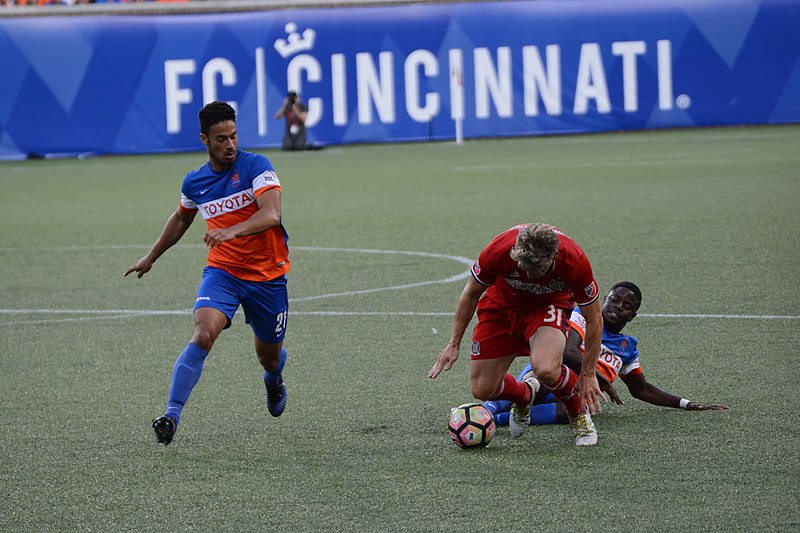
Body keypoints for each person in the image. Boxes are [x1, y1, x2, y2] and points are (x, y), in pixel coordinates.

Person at [124, 101, 291, 445]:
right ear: (204, 139)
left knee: (269, 355)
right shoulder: (196, 182)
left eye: (233, 136)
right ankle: (170, 416)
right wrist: (152, 256)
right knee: (203, 332)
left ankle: (274, 377)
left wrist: (232, 230)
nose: (229, 145)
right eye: (220, 139)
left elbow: (271, 214)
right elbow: (183, 217)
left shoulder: (256, 166)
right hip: (223, 272)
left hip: (267, 277)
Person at [428, 223, 605, 446]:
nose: (528, 275)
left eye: (536, 270)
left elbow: (594, 318)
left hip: (547, 306)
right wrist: (454, 343)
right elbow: (470, 294)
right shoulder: (499, 249)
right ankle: (524, 395)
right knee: (482, 389)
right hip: (501, 308)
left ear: (553, 257)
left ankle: (579, 414)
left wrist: (588, 373)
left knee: (546, 368)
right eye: (523, 268)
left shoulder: (574, 260)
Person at [486, 281, 727, 426]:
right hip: (550, 375)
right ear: (604, 300)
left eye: (627, 307)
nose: (618, 307)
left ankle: (495, 421)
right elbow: (569, 352)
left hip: (572, 394)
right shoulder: (582, 316)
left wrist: (686, 404)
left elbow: (640, 389)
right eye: (614, 300)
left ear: (632, 317)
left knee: (582, 409)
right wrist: (600, 380)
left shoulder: (627, 348)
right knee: (538, 380)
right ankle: (487, 409)